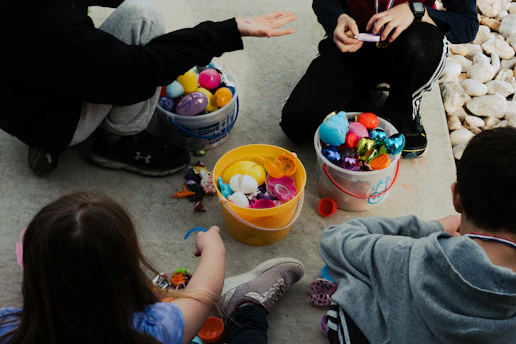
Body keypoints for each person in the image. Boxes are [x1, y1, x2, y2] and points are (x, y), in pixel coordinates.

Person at [0, 0, 296, 176]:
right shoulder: (46, 17)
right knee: (145, 19)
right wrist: (226, 32)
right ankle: (115, 143)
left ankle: (45, 137)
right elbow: (139, 72)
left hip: (24, 92)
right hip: (52, 114)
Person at [0, 191, 304, 343]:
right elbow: (205, 291)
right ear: (126, 269)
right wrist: (212, 245)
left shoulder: (7, 327)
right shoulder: (153, 327)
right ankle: (249, 306)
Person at [319, 127, 516, 344]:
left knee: (348, 297)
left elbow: (335, 239)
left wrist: (430, 228)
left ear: (457, 196)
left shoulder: (411, 256)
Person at [281, 0, 478, 158]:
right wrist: (337, 19)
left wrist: (416, 11)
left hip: (410, 47)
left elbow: (467, 25)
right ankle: (362, 91)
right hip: (354, 47)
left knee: (422, 45)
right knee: (296, 123)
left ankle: (402, 109)